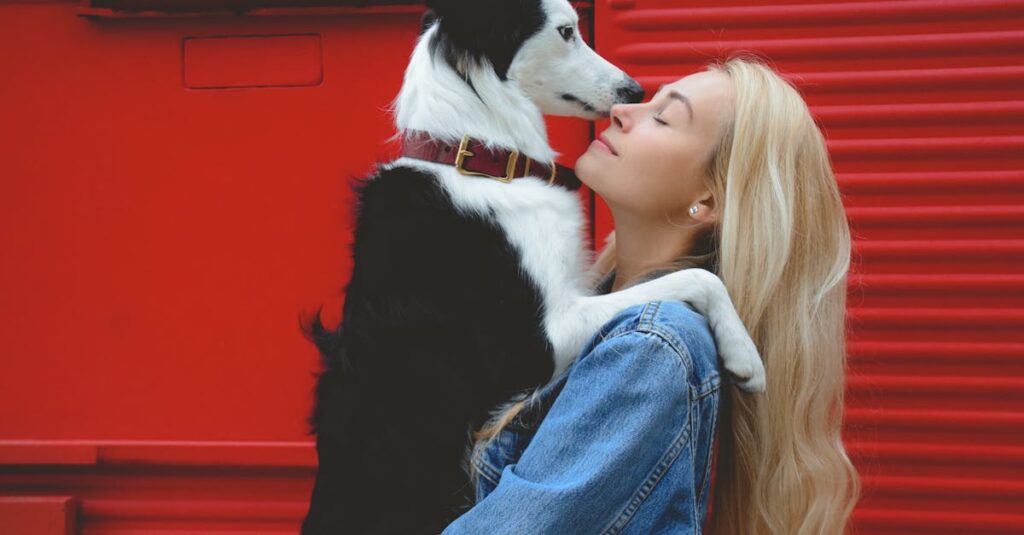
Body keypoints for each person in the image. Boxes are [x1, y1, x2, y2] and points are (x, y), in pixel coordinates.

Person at [442, 56, 860, 534]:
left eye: (664, 117)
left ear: (710, 200)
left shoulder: (651, 346)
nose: (624, 110)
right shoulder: (586, 313)